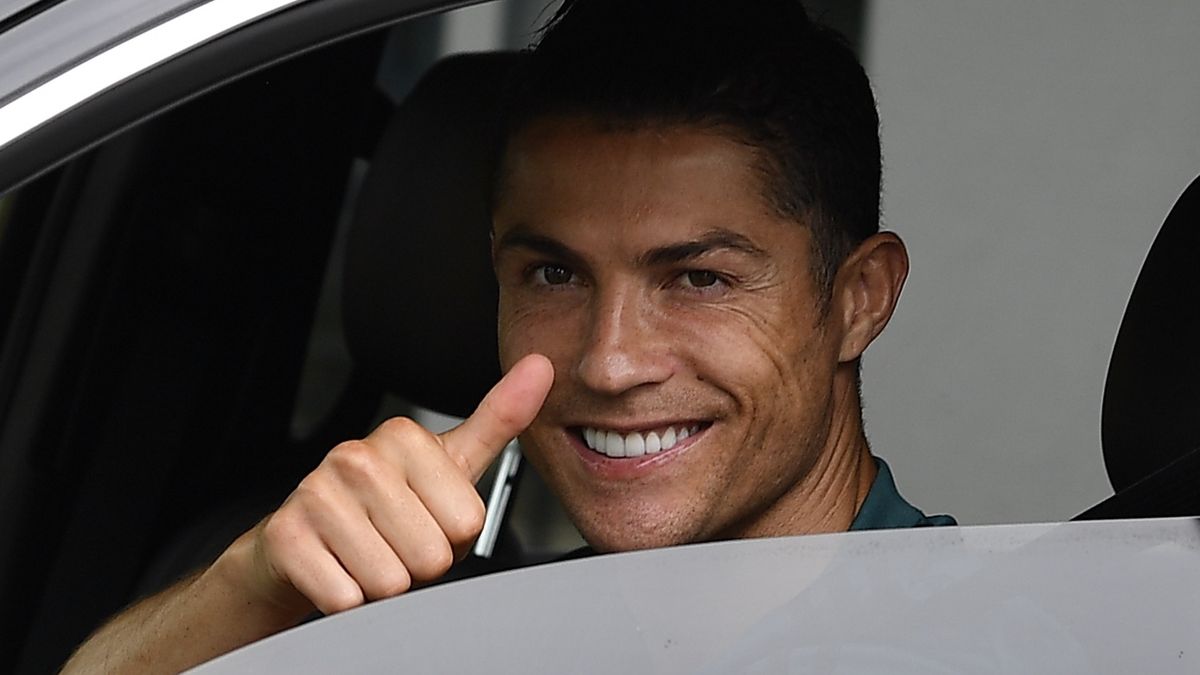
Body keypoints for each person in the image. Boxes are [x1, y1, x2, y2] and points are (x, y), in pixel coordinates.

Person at [63, 0, 952, 671]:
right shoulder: (458, 631)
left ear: (858, 299)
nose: (608, 361)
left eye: (699, 278)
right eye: (554, 274)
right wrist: (252, 586)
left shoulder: (997, 636)